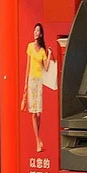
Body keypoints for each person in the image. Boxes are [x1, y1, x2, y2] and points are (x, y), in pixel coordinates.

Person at [20, 23, 54, 153]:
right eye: (34, 30)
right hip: (31, 80)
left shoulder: (42, 51)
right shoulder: (29, 46)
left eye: (38, 31)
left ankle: (38, 138)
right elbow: (28, 66)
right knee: (33, 113)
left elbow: (46, 67)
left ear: (41, 34)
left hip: (39, 81)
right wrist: (25, 85)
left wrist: (49, 55)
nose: (35, 32)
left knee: (39, 112)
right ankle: (37, 140)